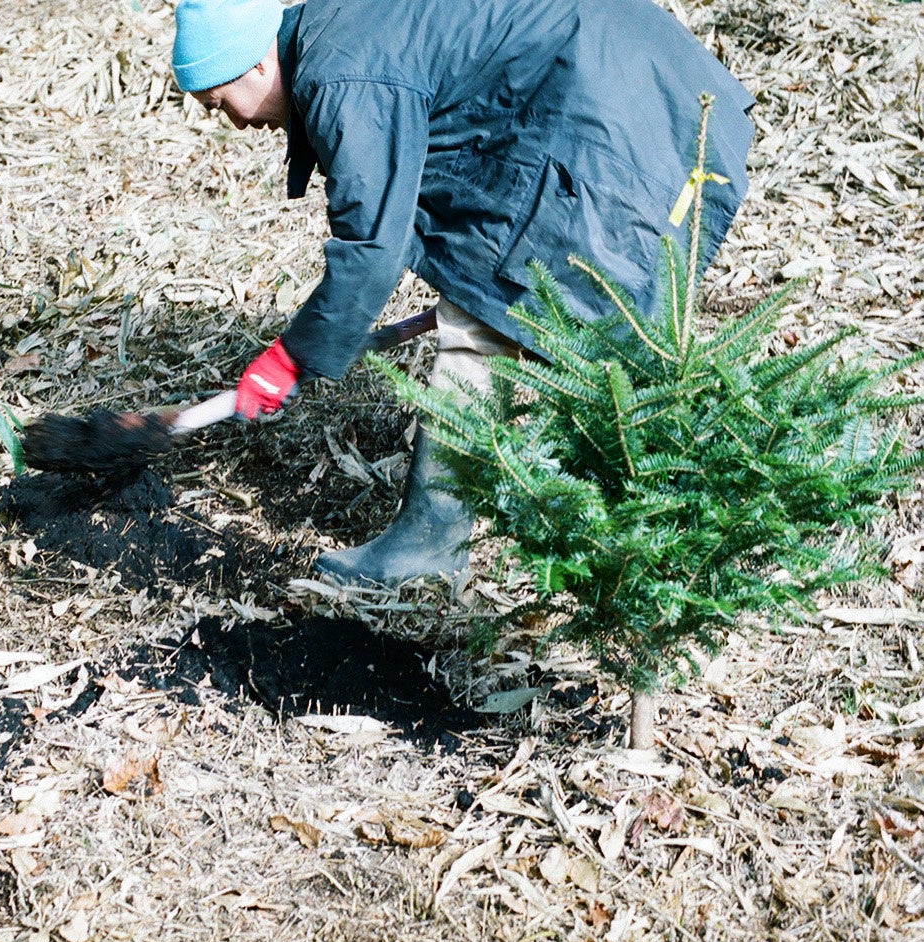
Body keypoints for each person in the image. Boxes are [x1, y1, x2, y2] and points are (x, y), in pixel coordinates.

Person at [169, 0, 755, 584]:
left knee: (494, 333)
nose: (236, 123)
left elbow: (373, 246)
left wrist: (291, 357)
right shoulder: (343, 31)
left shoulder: (341, 72)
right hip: (629, 86)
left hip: (629, 115)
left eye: (220, 104)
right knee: (508, 308)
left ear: (257, 65)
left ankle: (432, 544)